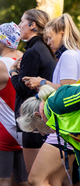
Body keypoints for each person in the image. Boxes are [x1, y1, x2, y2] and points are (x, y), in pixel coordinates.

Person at [20, 14, 80, 186]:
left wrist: (42, 82)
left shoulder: (69, 56)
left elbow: (68, 91)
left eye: (49, 39)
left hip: (63, 128)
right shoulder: (76, 56)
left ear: (62, 33)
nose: (48, 44)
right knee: (55, 182)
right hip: (70, 128)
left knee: (36, 180)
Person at [9, 10, 56, 174]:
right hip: (45, 116)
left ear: (32, 25)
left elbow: (23, 89)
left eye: (22, 21)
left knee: (35, 181)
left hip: (34, 119)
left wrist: (13, 72)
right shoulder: (45, 49)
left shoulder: (32, 52)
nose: (19, 25)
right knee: (52, 180)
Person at [0, 23, 28, 186]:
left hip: (4, 130)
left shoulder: (1, 63)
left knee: (3, 185)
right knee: (24, 184)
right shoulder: (23, 57)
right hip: (23, 128)